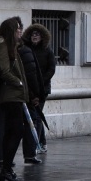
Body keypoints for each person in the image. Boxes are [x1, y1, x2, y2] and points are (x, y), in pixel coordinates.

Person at [0, 16, 30, 181]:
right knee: (16, 130)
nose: (20, 31)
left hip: (13, 95)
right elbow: (4, 71)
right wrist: (17, 83)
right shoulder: (4, 45)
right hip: (10, 95)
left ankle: (6, 168)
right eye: (17, 28)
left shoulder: (12, 47)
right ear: (11, 30)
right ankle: (6, 168)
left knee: (13, 130)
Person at [24, 23, 56, 151]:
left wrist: (41, 82)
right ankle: (42, 142)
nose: (34, 36)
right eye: (32, 34)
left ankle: (36, 144)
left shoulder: (48, 51)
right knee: (37, 114)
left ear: (42, 36)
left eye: (37, 34)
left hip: (42, 88)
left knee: (37, 115)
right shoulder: (27, 49)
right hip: (30, 88)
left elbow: (51, 69)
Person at [18, 32, 45, 165]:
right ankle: (29, 154)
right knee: (31, 121)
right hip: (25, 94)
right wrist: (35, 95)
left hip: (17, 93)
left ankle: (4, 160)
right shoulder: (25, 50)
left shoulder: (16, 49)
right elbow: (31, 75)